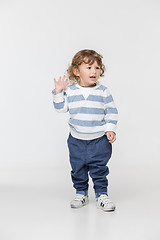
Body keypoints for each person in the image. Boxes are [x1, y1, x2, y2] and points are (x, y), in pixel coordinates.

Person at [51, 49, 118, 212]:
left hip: (99, 141)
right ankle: (81, 193)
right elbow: (61, 108)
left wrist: (110, 129)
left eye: (97, 68)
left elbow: (111, 111)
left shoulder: (103, 91)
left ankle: (102, 194)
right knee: (78, 168)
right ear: (76, 71)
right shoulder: (71, 91)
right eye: (88, 68)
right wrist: (58, 92)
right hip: (76, 140)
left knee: (99, 169)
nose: (94, 71)